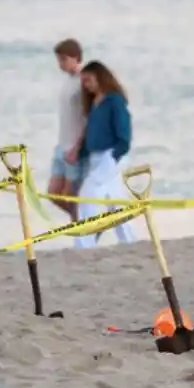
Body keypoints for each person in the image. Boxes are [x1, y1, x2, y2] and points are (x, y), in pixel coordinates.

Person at [73, 60, 137, 249]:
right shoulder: (94, 104)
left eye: (89, 80)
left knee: (87, 194)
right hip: (97, 157)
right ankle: (130, 242)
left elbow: (124, 131)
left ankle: (84, 244)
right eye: (83, 81)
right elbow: (93, 132)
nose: (86, 85)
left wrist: (117, 153)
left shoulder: (114, 100)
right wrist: (80, 152)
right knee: (116, 202)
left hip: (111, 154)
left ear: (100, 77)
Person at [50, 39, 86, 221]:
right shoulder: (68, 81)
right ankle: (83, 223)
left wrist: (77, 148)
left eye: (64, 59)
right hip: (61, 146)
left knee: (70, 197)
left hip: (74, 149)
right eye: (59, 60)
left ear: (76, 58)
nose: (60, 64)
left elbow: (88, 118)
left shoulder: (83, 82)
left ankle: (83, 229)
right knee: (53, 194)